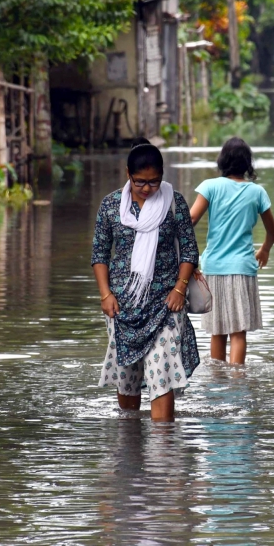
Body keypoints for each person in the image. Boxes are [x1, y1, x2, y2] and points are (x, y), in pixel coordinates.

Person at [91, 138, 201, 422]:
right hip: (122, 305)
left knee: (161, 371)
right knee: (127, 375)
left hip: (166, 303)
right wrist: (106, 295)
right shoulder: (111, 206)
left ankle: (163, 452)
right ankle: (130, 442)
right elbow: (100, 253)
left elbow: (189, 250)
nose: (148, 189)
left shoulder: (174, 203)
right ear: (128, 174)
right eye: (140, 182)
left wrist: (180, 288)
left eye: (154, 181)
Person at [190, 137, 274, 365]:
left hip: (214, 267)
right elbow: (272, 230)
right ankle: (238, 380)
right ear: (248, 164)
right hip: (242, 268)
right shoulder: (257, 192)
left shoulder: (210, 186)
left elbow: (190, 219)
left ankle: (217, 380)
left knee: (217, 330)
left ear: (222, 162)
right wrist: (265, 250)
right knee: (238, 332)